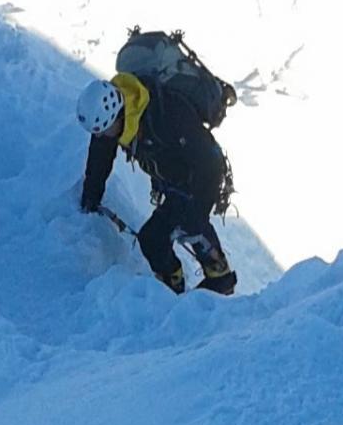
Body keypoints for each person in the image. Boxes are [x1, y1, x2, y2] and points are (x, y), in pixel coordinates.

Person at [76, 73, 237, 295]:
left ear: (117, 117)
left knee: (191, 224)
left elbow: (208, 162)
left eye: (105, 130)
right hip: (175, 185)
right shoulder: (112, 119)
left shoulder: (164, 116)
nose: (103, 136)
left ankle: (221, 279)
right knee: (151, 239)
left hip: (202, 174)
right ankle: (172, 289)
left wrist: (197, 210)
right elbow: (99, 158)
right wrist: (91, 196)